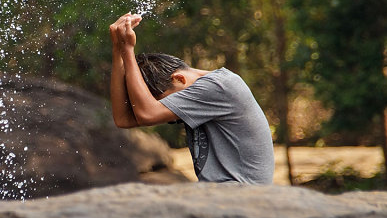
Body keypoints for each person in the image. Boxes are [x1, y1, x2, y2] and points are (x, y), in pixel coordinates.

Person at [109, 13, 275, 185]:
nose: (165, 106)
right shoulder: (198, 94)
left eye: (162, 100)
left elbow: (148, 114)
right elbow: (124, 119)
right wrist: (117, 50)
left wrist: (128, 50)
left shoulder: (220, 86)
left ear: (179, 79)